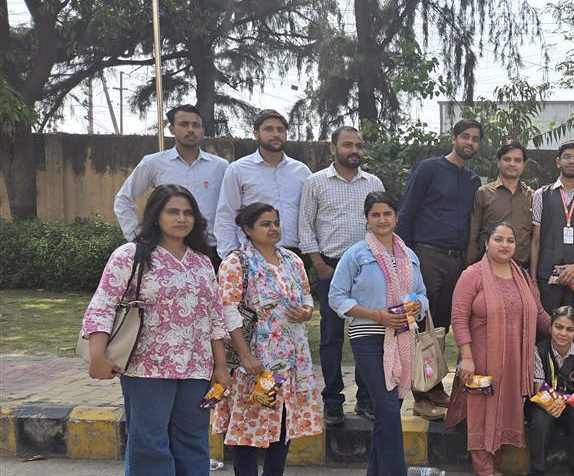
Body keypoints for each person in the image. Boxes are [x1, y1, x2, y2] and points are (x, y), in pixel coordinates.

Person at [82, 184, 233, 476]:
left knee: (193, 442)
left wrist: (221, 365)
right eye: (173, 211)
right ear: (156, 216)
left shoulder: (202, 261)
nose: (182, 219)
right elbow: (103, 304)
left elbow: (214, 317)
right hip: (146, 366)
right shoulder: (131, 256)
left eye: (188, 212)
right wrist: (96, 355)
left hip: (196, 367)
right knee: (150, 443)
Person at [215, 202, 321, 476]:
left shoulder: (292, 260)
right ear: (248, 229)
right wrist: (245, 355)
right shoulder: (236, 263)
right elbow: (228, 311)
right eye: (265, 223)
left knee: (284, 418)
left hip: (290, 359)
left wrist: (307, 311)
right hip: (256, 363)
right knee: (249, 423)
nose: (273, 228)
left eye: (276, 222)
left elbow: (306, 296)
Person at [328, 192, 428, 476]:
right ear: (367, 218)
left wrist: (418, 305)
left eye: (387, 213)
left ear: (396, 217)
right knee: (385, 408)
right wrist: (376, 315)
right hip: (368, 337)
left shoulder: (409, 255)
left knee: (392, 407)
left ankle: (375, 475)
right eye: (375, 214)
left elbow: (422, 295)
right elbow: (336, 297)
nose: (382, 219)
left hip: (401, 336)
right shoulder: (356, 255)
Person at [451, 221, 551, 476]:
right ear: (486, 243)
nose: (505, 245)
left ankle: (494, 466)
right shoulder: (472, 275)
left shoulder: (521, 275)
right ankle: (483, 472)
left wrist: (564, 332)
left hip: (515, 362)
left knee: (507, 410)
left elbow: (539, 313)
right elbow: (458, 317)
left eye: (510, 240)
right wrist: (466, 356)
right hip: (482, 360)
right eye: (498, 239)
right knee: (482, 413)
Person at [396, 118, 483, 420]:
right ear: (454, 138)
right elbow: (406, 211)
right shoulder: (428, 169)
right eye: (465, 136)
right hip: (426, 256)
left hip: (456, 262)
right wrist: (403, 257)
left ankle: (433, 386)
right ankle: (420, 395)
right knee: (421, 327)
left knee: (441, 328)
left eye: (475, 139)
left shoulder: (473, 181)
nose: (469, 142)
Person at [298, 126, 385, 425]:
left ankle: (365, 398)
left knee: (368, 335)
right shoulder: (315, 182)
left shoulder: (373, 182)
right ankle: (333, 399)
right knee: (331, 337)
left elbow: (380, 224)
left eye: (359, 145)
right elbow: (305, 225)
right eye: (348, 145)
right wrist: (319, 265)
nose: (354, 151)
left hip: (366, 268)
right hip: (331, 267)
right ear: (333, 148)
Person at [114, 104, 228, 257]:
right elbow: (123, 199)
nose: (190, 129)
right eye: (184, 124)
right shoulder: (153, 163)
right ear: (172, 129)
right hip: (166, 250)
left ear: (203, 131)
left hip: (212, 249)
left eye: (196, 125)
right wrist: (138, 238)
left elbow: (231, 208)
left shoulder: (221, 166)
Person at [530, 141, 574, 345]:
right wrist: (533, 280)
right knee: (545, 330)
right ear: (558, 161)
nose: (572, 161)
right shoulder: (541, 195)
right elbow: (535, 241)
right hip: (547, 277)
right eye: (567, 157)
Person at [214, 109, 310, 256]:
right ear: (256, 134)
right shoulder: (238, 169)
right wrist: (229, 254)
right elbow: (226, 215)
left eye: (280, 130)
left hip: (296, 254)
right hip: (254, 254)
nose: (276, 134)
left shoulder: (301, 171)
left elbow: (310, 215)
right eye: (269, 129)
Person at [524, 305, 574, 476]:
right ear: (550, 327)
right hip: (542, 402)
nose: (563, 333)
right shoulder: (538, 350)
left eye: (570, 329)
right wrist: (549, 406)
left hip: (570, 402)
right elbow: (538, 388)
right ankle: (536, 471)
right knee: (541, 421)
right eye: (559, 327)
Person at [466, 140, 535, 265]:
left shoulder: (532, 196)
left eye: (517, 160)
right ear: (498, 162)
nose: (512, 164)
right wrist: (471, 266)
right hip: (488, 266)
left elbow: (535, 238)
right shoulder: (483, 193)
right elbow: (473, 235)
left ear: (523, 164)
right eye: (507, 159)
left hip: (521, 268)